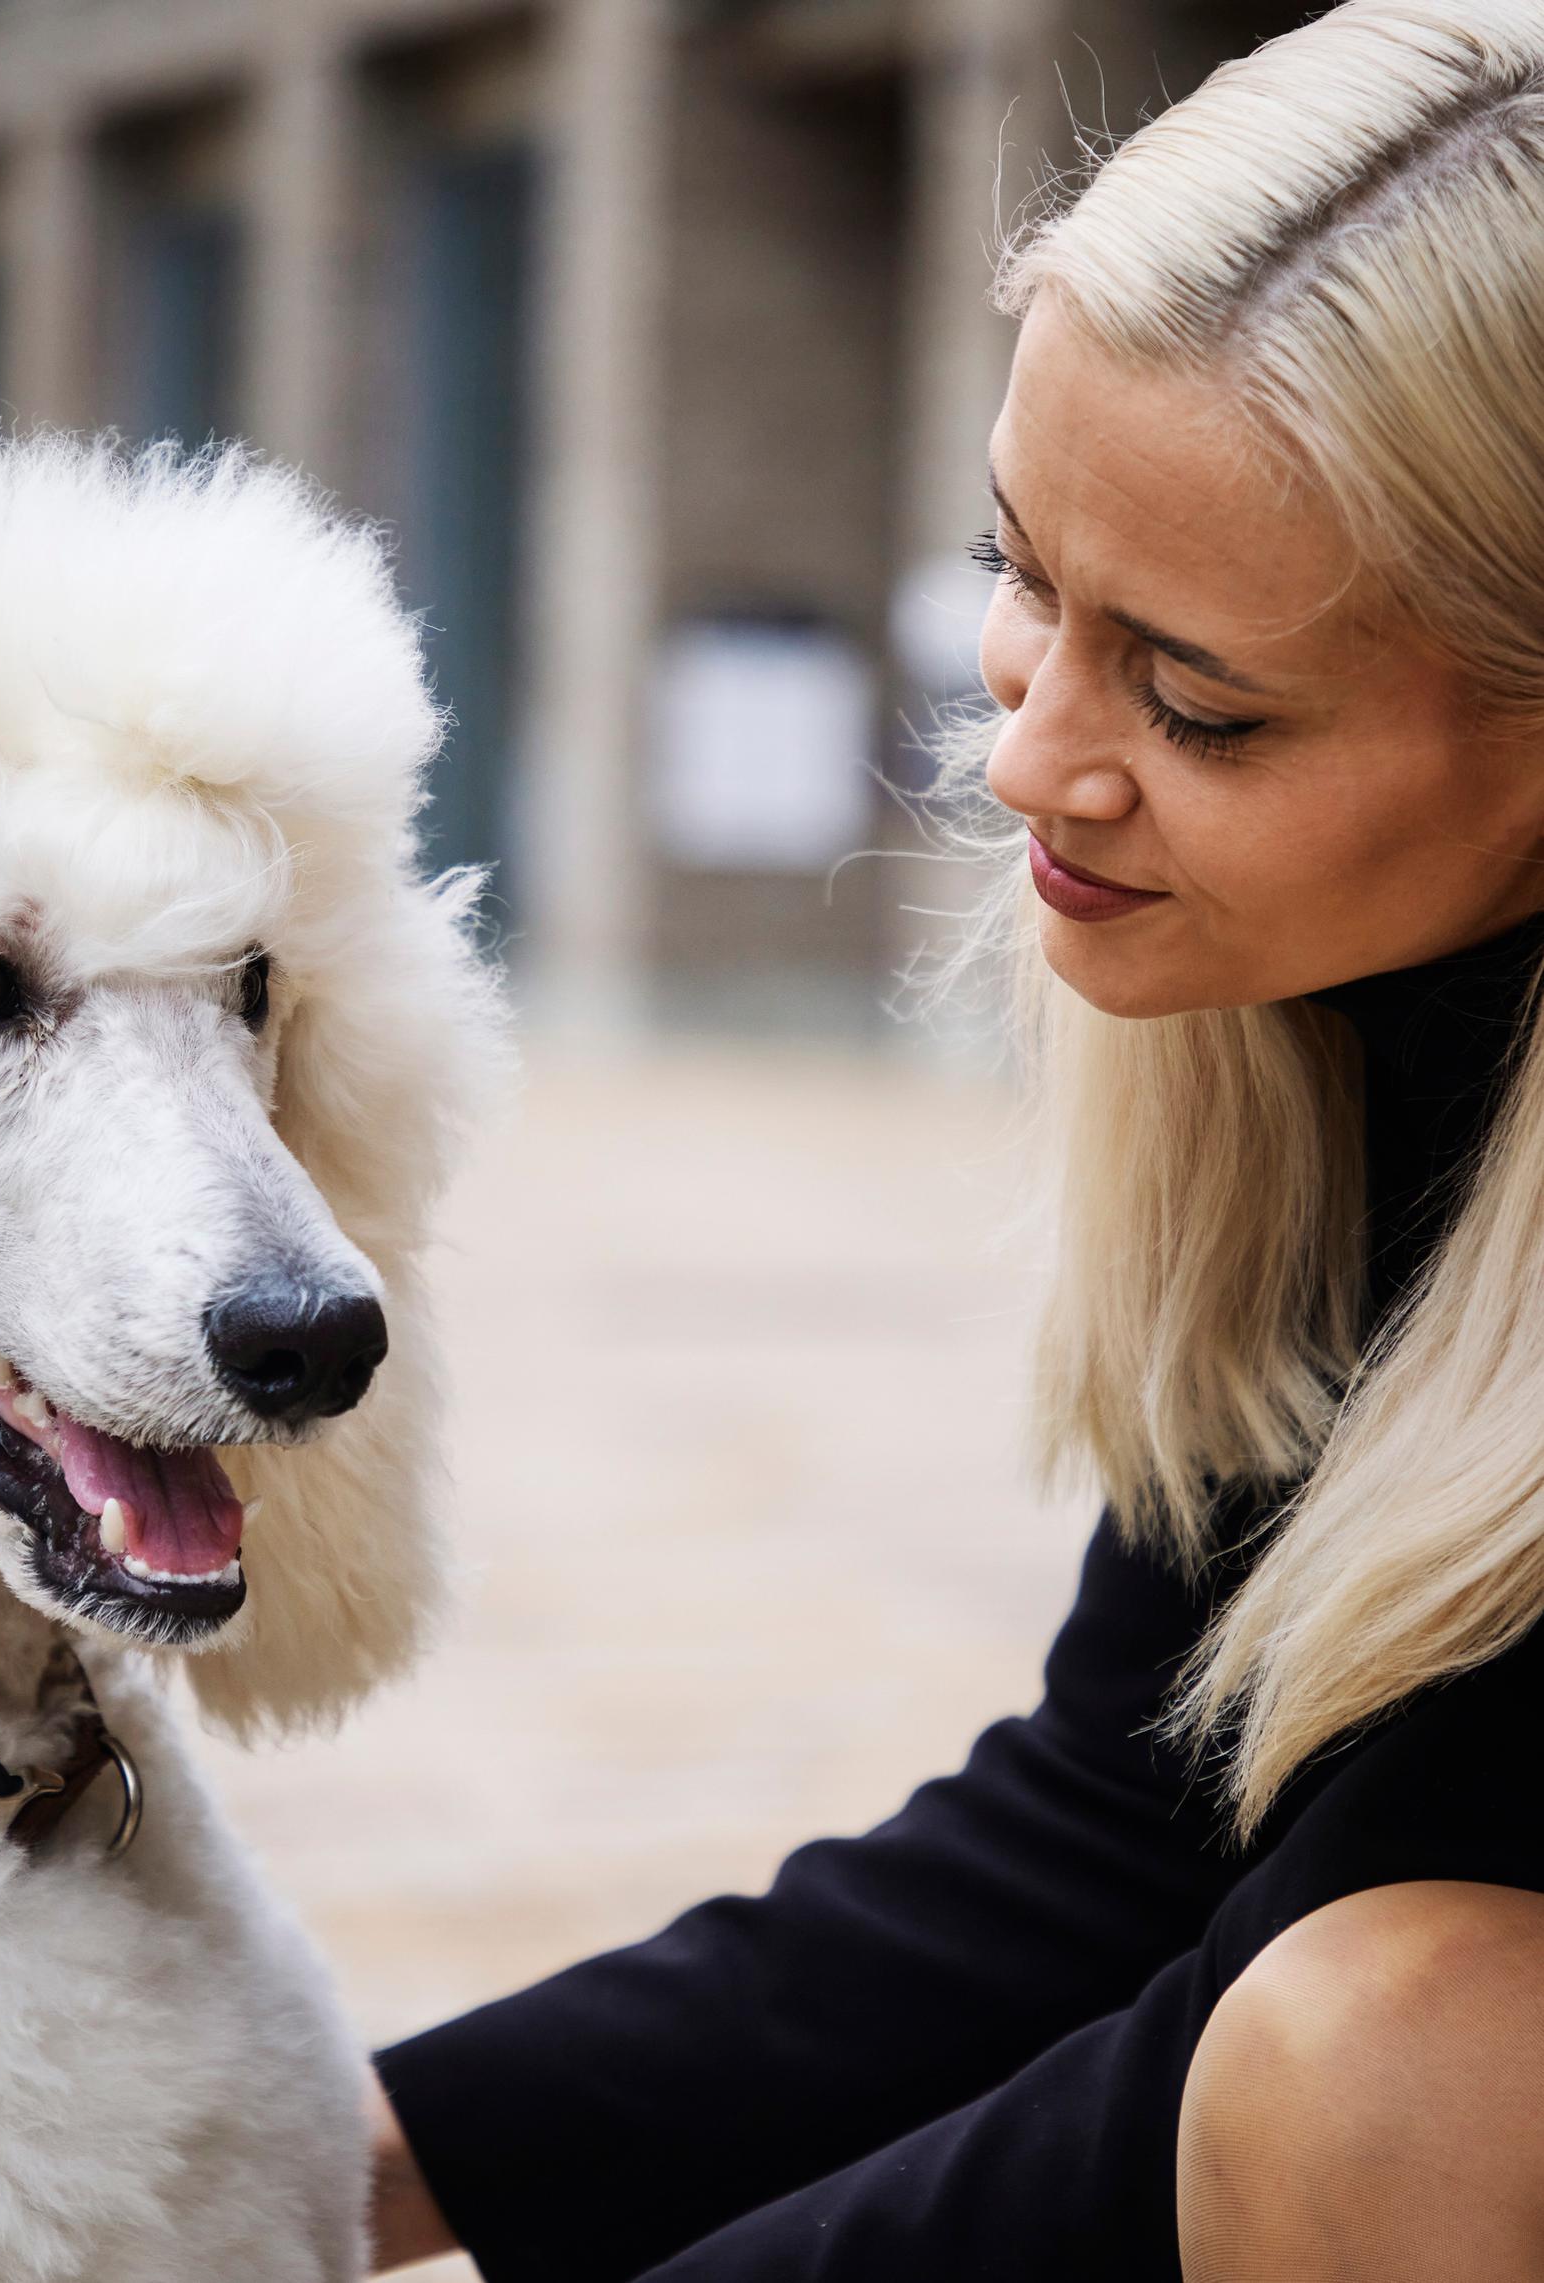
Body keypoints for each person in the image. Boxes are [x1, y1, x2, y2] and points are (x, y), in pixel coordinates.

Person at [365, 4, 1544, 2275]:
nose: (1029, 756)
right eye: (1020, 575)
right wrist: (266, 2160)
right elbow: (1124, 1828)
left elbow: (1233, 2054)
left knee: (1396, 2057)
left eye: (1198, 701)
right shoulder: (1341, 1022)